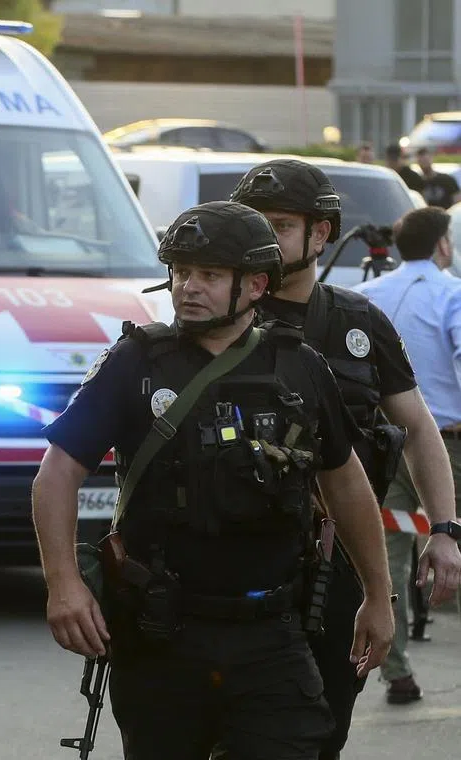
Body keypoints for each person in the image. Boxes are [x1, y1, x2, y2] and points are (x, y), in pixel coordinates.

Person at [32, 200, 394, 760]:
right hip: (163, 635)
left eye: (208, 274)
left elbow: (345, 483)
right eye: (180, 272)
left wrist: (377, 594)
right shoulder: (135, 363)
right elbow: (57, 473)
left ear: (254, 285)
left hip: (274, 635)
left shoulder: (300, 366)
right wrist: (63, 584)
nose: (187, 288)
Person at [231, 158, 461, 756]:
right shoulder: (214, 321)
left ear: (321, 233)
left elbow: (415, 425)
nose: (263, 236)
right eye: (252, 222)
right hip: (232, 566)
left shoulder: (359, 322)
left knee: (324, 729)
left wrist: (442, 529)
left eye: (279, 224)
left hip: (339, 567)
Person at [355, 206, 461, 704]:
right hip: (447, 444)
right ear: (443, 245)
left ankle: (393, 669)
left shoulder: (367, 296)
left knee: (385, 556)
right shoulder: (452, 294)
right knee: (449, 541)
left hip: (382, 441)